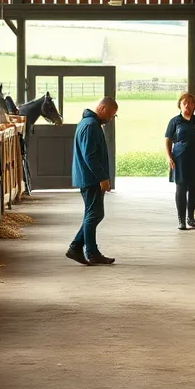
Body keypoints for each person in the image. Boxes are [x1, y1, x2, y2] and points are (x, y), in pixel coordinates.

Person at [67, 96, 118, 266]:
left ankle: (82, 249)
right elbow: (90, 156)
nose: (110, 119)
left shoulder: (90, 124)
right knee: (94, 214)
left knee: (93, 214)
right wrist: (102, 178)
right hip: (90, 178)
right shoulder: (90, 126)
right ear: (102, 108)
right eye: (110, 114)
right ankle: (86, 250)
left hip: (88, 177)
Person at [165, 91, 195, 230]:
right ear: (180, 105)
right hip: (179, 159)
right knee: (180, 189)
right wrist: (169, 157)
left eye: (191, 103)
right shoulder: (175, 121)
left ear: (194, 105)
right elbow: (167, 140)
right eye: (185, 103)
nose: (188, 106)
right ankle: (181, 220)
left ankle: (190, 217)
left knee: (193, 188)